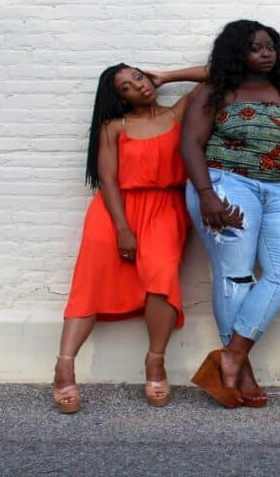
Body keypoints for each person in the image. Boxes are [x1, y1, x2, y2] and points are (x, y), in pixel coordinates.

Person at [182, 19, 280, 408]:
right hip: (224, 182)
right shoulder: (215, 90)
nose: (267, 53)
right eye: (256, 47)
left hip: (277, 186)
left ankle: (231, 358)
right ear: (237, 52)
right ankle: (243, 371)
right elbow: (190, 143)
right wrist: (206, 194)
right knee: (235, 274)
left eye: (271, 46)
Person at [53, 63, 206, 413]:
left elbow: (220, 72)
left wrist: (167, 76)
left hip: (166, 207)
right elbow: (107, 179)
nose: (137, 87)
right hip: (114, 209)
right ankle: (64, 365)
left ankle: (155, 361)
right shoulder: (113, 127)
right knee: (88, 284)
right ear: (118, 98)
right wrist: (123, 228)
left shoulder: (179, 111)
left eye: (137, 77)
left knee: (162, 278)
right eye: (126, 87)